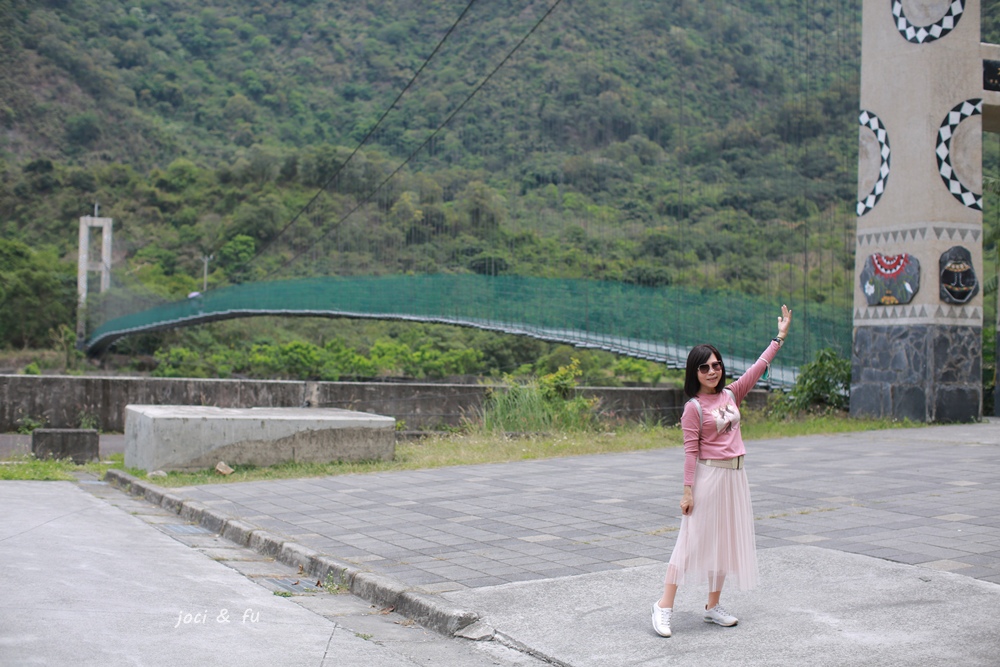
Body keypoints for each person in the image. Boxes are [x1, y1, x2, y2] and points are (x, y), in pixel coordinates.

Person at [651, 304, 792, 638]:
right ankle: (663, 606)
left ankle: (713, 606)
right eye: (705, 368)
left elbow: (759, 368)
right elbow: (690, 452)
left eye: (716, 365)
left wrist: (779, 338)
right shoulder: (694, 408)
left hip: (735, 477)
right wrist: (687, 491)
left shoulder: (731, 394)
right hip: (708, 477)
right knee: (691, 541)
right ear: (694, 372)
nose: (712, 371)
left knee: (724, 542)